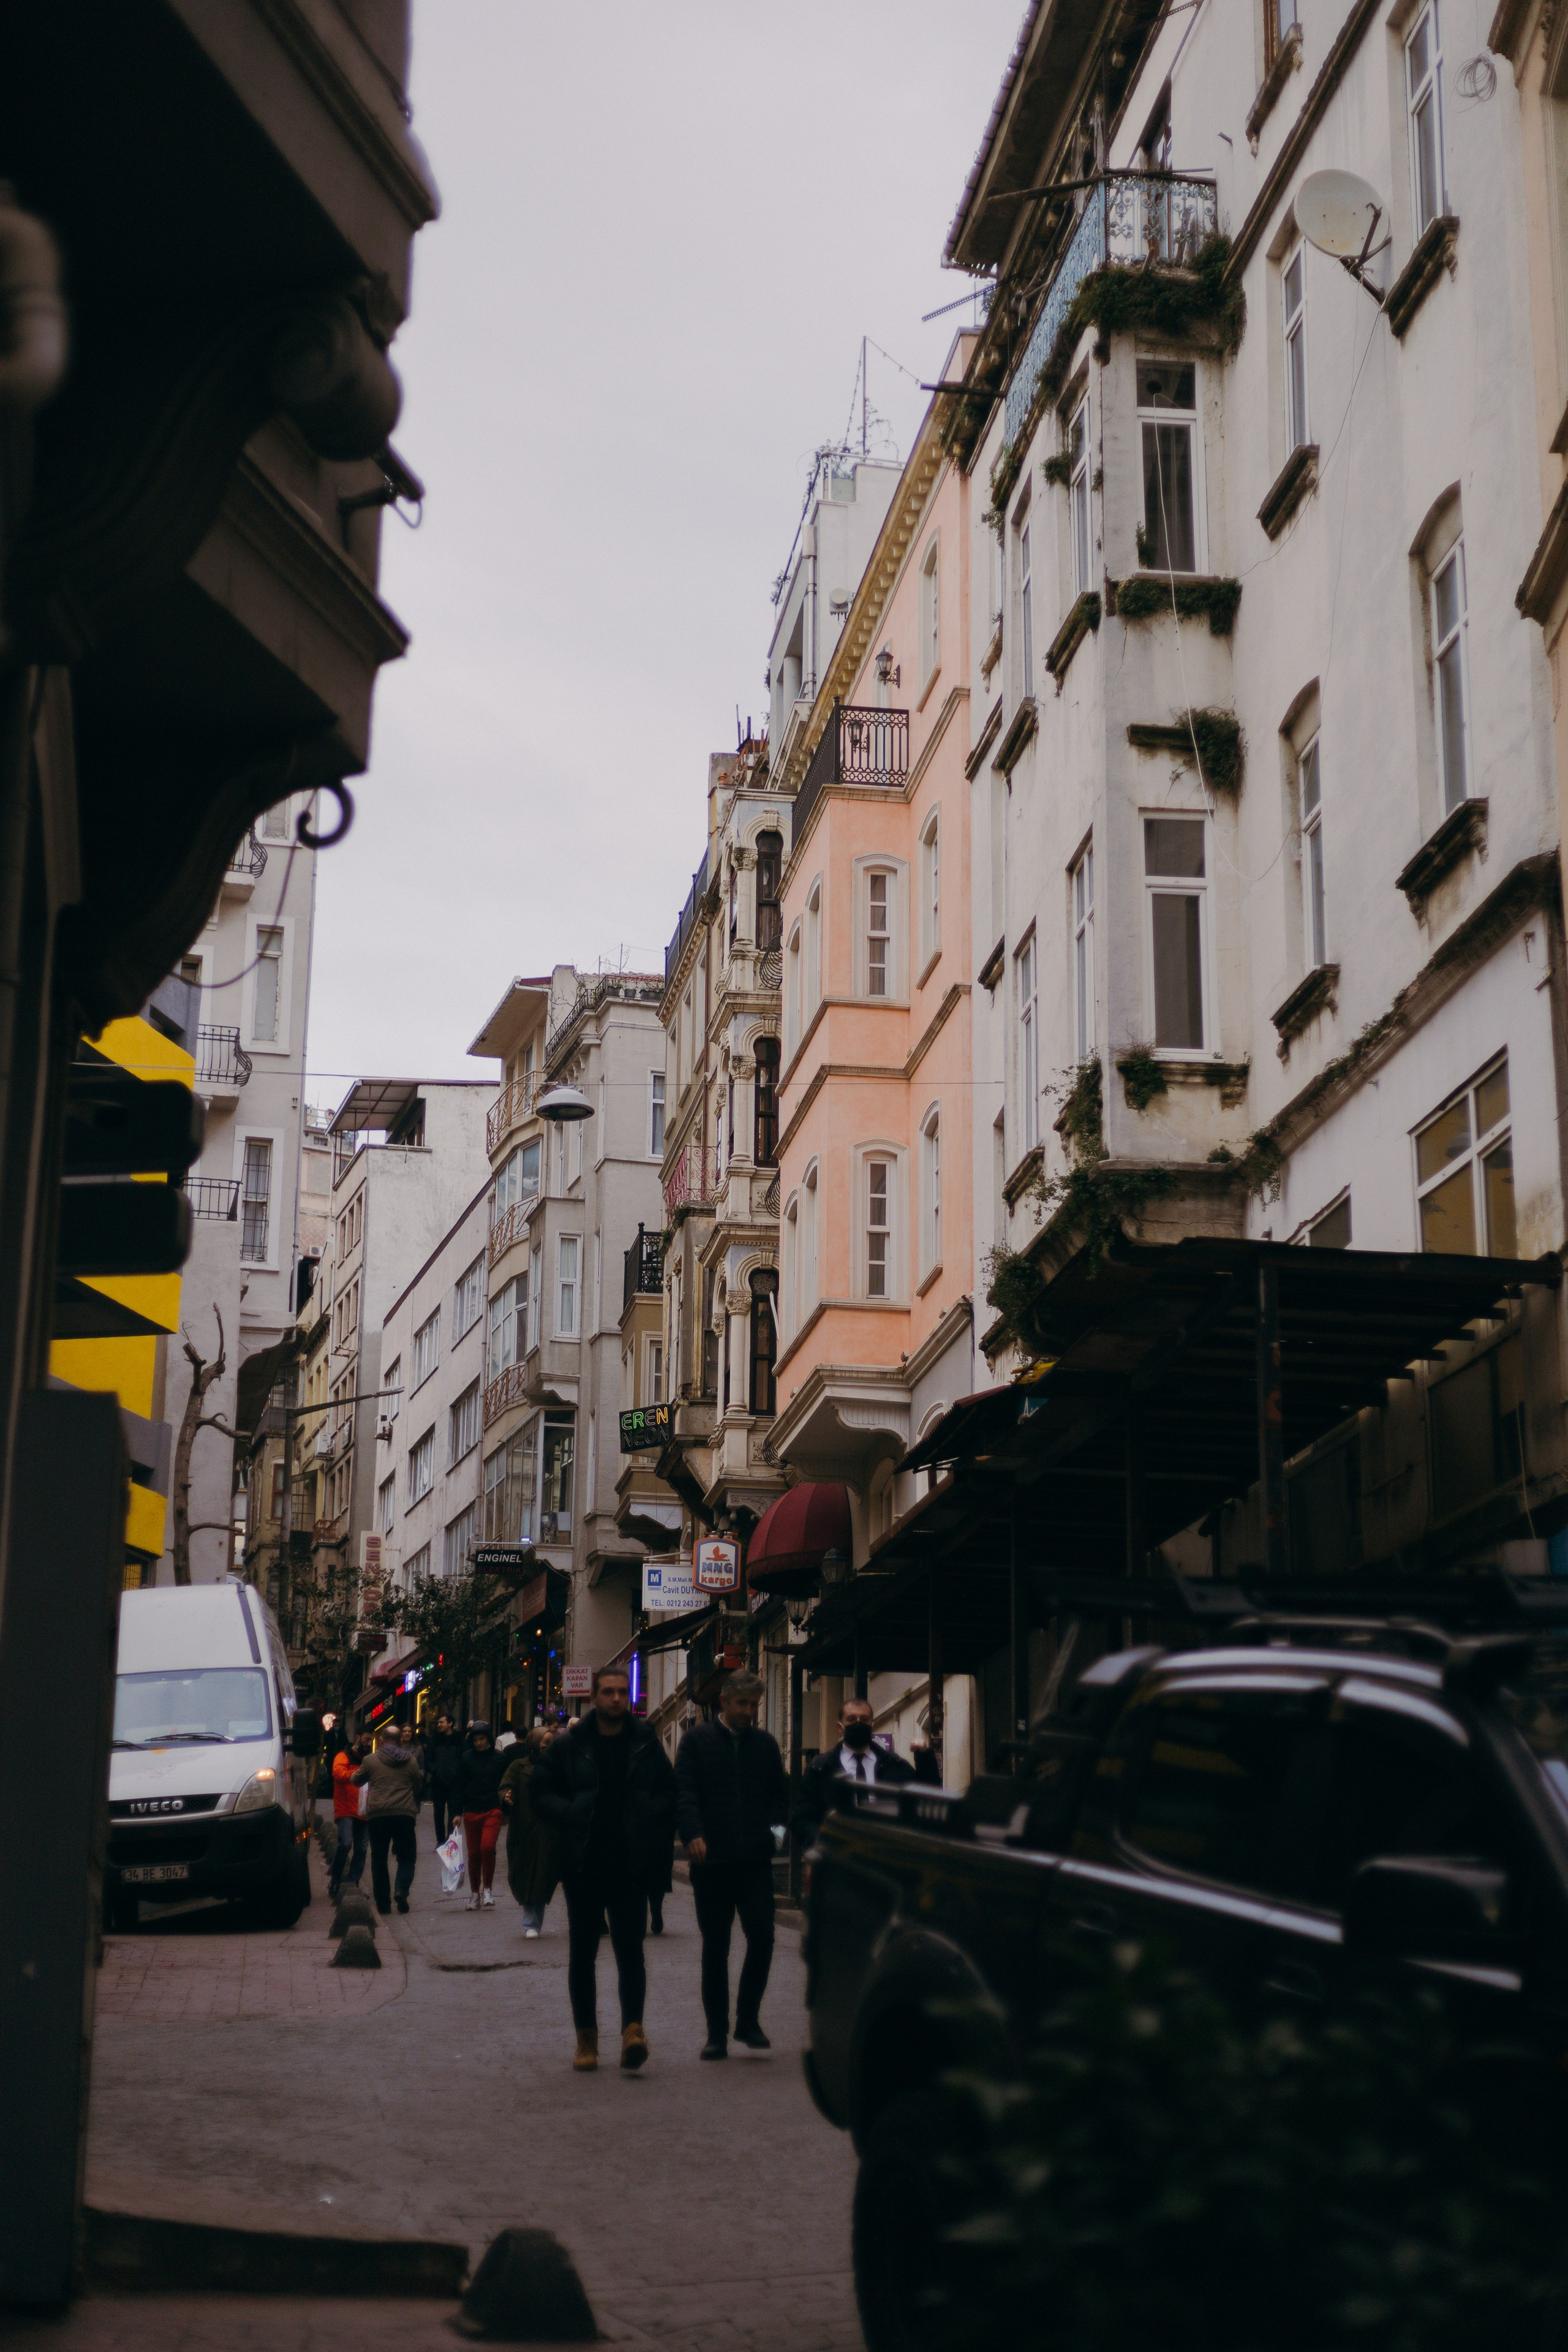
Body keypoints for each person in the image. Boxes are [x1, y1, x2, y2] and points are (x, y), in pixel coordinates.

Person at [532, 1665, 677, 2073]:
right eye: (609, 1692)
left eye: (622, 1692)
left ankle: (634, 2031)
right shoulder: (570, 1744)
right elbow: (540, 1792)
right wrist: (572, 1812)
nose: (617, 1699)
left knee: (631, 1951)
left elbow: (669, 1792)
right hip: (583, 1864)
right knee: (583, 1953)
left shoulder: (645, 1741)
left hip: (631, 1864)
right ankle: (587, 2039)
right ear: (594, 1696)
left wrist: (649, 1814)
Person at [676, 1669, 791, 2061]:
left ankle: (748, 2020)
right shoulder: (696, 1742)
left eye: (755, 1705)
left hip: (755, 1861)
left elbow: (780, 1796)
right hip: (712, 1861)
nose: (749, 1711)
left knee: (762, 1937)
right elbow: (685, 1793)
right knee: (716, 1946)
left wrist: (775, 1834)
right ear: (724, 1702)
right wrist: (692, 1833)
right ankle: (717, 2033)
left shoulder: (765, 1746)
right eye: (743, 1704)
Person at [791, 1695, 940, 1846]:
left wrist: (924, 1757)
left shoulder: (893, 1765)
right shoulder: (821, 1769)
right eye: (852, 1719)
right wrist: (821, 1846)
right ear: (839, 1727)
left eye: (864, 1719)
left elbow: (928, 1800)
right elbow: (803, 1818)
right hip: (839, 1858)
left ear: (872, 1726)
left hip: (884, 1856)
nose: (858, 1724)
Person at [352, 1720, 423, 1916]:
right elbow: (418, 1786)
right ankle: (401, 1890)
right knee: (407, 1857)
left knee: (379, 1859)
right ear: (400, 1741)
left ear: (382, 1740)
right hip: (405, 1815)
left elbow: (356, 1780)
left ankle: (383, 1904)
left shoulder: (371, 1760)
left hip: (378, 1816)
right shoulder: (411, 1761)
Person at [499, 1725, 560, 1936]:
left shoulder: (558, 1768)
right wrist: (506, 1797)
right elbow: (505, 1788)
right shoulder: (518, 1766)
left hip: (548, 1831)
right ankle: (530, 1917)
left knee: (543, 1876)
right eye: (546, 1743)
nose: (549, 1747)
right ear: (535, 1743)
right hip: (523, 1831)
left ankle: (532, 1923)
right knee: (523, 1875)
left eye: (552, 1743)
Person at [455, 1719, 507, 1912]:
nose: (479, 1743)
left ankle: (488, 1890)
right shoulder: (466, 1759)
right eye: (476, 1740)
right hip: (471, 1810)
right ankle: (475, 1893)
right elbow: (459, 1786)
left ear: (489, 1739)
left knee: (487, 1847)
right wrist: (456, 1812)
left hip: (493, 1808)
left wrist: (506, 1809)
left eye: (482, 1739)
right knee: (475, 1854)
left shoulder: (500, 1759)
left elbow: (506, 1784)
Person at [328, 1732, 369, 1896]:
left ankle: (353, 1884)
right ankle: (336, 1879)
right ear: (358, 1737)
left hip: (364, 1811)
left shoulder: (368, 1759)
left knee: (361, 1849)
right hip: (345, 1809)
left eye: (372, 1740)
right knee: (345, 1844)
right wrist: (356, 1776)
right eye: (367, 1739)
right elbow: (337, 1772)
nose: (369, 1743)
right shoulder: (343, 1756)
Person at [424, 1714, 462, 1845]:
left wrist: (458, 1772)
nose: (439, 1725)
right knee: (438, 1813)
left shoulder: (459, 1740)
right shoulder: (434, 1740)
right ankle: (440, 1841)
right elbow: (428, 1760)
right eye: (438, 1723)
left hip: (455, 1782)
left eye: (442, 1722)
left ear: (450, 1724)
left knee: (453, 1811)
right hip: (438, 1781)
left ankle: (451, 1840)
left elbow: (463, 1758)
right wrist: (435, 1770)